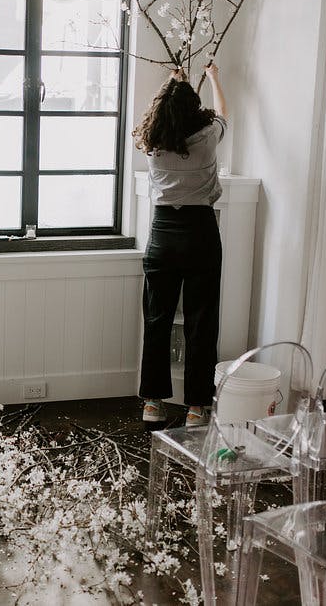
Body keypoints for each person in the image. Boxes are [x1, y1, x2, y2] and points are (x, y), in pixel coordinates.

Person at [135, 64, 227, 427]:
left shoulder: (152, 142)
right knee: (201, 323)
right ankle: (196, 408)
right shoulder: (207, 138)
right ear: (193, 110)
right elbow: (223, 112)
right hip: (200, 233)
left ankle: (153, 404)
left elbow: (168, 110)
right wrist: (214, 78)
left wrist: (174, 83)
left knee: (157, 320)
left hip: (163, 235)